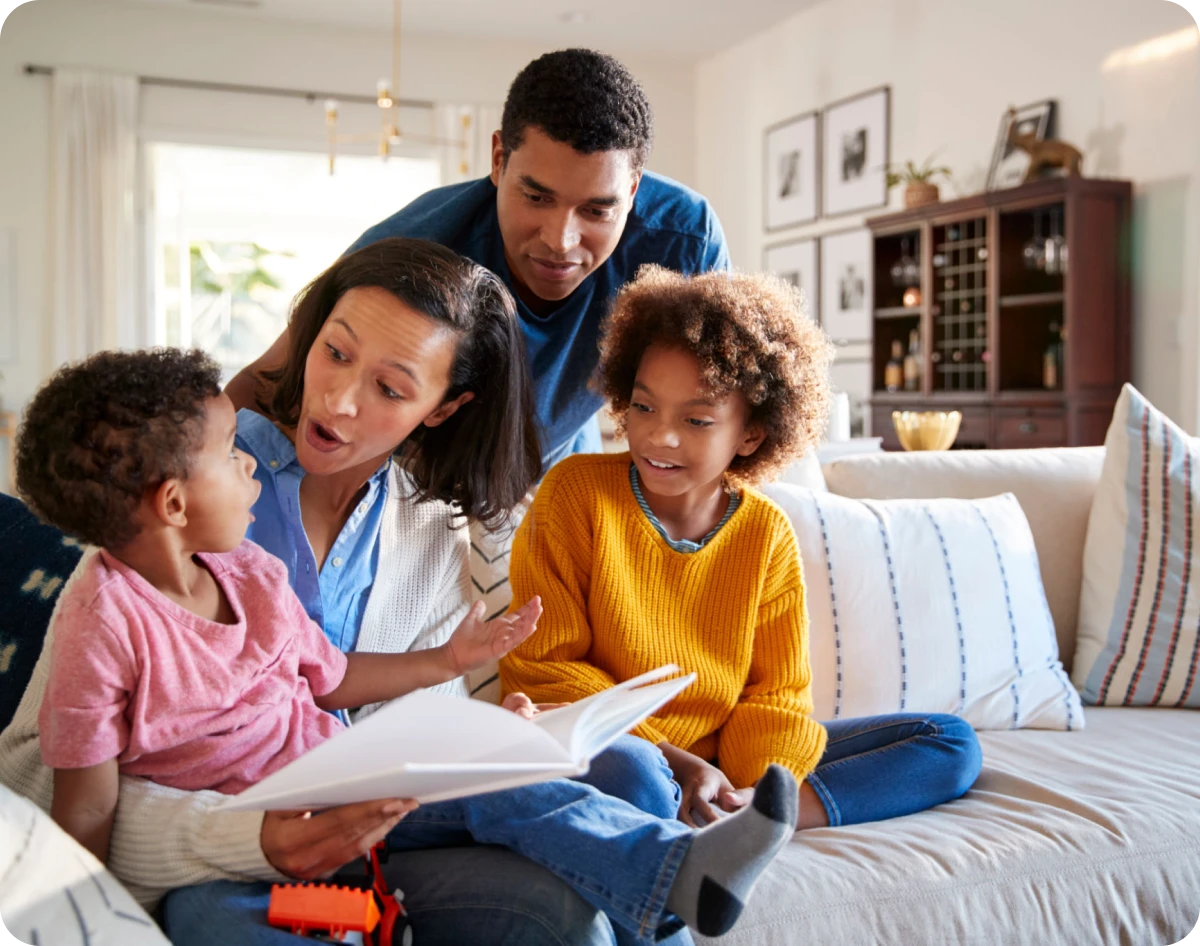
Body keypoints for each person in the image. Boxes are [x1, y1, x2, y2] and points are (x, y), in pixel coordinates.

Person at [0, 239, 677, 946]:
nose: (338, 400)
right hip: (214, 849)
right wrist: (246, 840)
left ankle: (680, 881)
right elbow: (58, 782)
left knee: (624, 777)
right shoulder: (165, 498)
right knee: (218, 921)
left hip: (361, 813)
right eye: (335, 352)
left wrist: (482, 739)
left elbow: (373, 710)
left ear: (443, 407)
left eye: (391, 389)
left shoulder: (417, 532)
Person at [500, 266, 983, 829]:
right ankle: (708, 810)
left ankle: (749, 814)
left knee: (949, 742)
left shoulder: (766, 533)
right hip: (620, 749)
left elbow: (775, 693)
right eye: (644, 407)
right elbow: (545, 666)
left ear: (750, 435)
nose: (659, 436)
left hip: (727, 759)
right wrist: (679, 764)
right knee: (636, 777)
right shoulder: (574, 493)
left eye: (696, 419)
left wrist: (754, 782)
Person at [228, 48, 729, 466]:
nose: (561, 240)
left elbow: (717, 407)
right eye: (536, 197)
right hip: (421, 473)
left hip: (560, 463)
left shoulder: (684, 241)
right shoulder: (412, 245)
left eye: (597, 210)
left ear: (634, 189)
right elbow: (263, 386)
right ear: (498, 159)